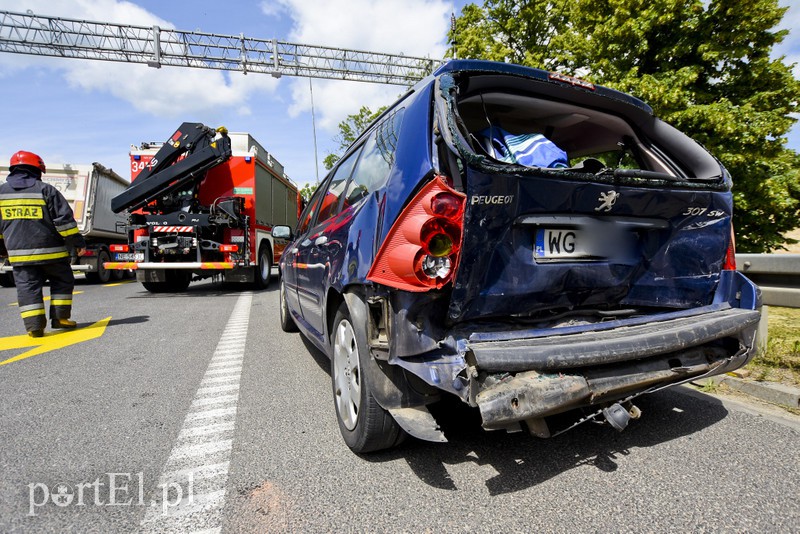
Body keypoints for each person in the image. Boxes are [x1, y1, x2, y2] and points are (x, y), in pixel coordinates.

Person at [0, 151, 85, 337]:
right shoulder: (46, 190)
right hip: (52, 253)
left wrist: (3, 250)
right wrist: (77, 242)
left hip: (20, 256)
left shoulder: (1, 193)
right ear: (37, 170)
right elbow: (65, 222)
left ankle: (34, 327)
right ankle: (61, 318)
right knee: (62, 280)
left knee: (27, 288)